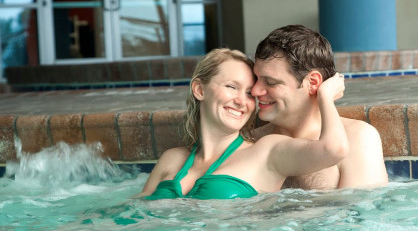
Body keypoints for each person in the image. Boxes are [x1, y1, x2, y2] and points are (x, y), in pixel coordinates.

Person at [137, 48, 348, 199]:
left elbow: (334, 149)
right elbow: (138, 212)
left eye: (249, 93)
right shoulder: (172, 159)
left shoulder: (267, 151)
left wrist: (324, 97)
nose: (241, 101)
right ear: (200, 90)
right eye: (231, 86)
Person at [251, 25, 389, 189]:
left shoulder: (357, 137)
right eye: (256, 79)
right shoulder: (252, 142)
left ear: (313, 82)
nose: (255, 91)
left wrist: (324, 96)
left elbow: (363, 211)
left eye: (271, 82)